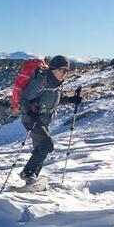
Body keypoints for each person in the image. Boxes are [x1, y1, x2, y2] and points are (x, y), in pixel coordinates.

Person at [18, 55, 82, 183]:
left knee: (42, 150)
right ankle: (27, 173)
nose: (65, 74)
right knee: (47, 144)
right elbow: (23, 100)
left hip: (44, 120)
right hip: (32, 119)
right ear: (53, 68)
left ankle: (31, 178)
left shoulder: (57, 84)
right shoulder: (41, 81)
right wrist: (30, 113)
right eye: (63, 70)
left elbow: (55, 99)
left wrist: (70, 99)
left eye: (67, 71)